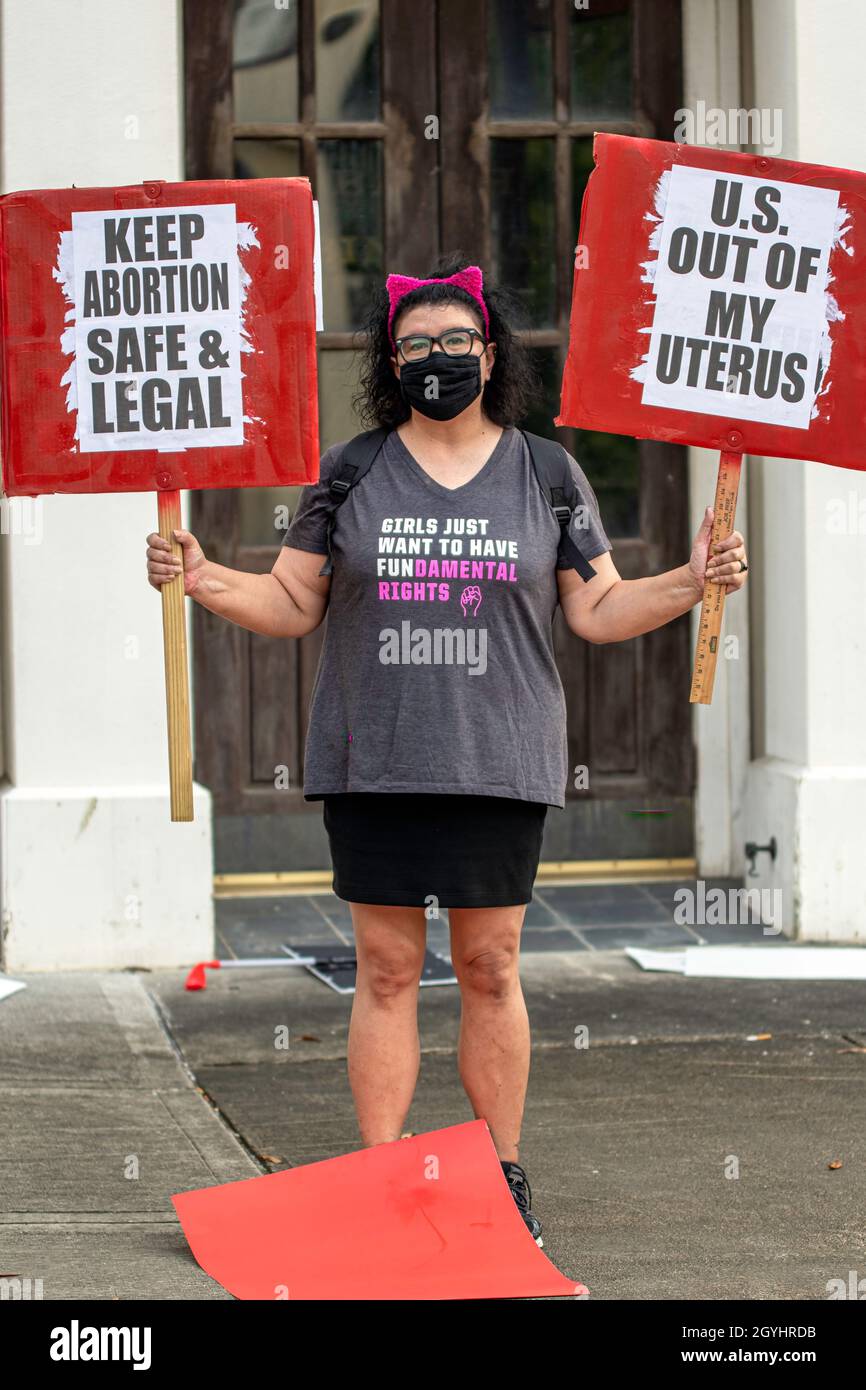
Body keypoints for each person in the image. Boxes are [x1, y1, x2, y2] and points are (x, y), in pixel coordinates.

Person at [146, 254, 749, 1242]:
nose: (436, 357)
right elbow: (293, 599)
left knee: (489, 966)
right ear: (392, 359)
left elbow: (595, 606)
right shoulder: (350, 469)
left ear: (489, 351)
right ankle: (383, 1170)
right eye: (415, 344)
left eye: (454, 341)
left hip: (497, 756)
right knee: (385, 968)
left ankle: (496, 1171)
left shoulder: (545, 469)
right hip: (373, 754)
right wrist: (204, 576)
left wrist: (689, 578)